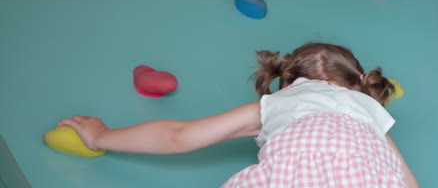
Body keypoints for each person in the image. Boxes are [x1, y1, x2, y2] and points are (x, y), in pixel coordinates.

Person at [59, 42, 419, 188]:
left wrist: (100, 135)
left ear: (288, 84)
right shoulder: (369, 115)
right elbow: (407, 182)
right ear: (356, 86)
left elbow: (178, 135)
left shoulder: (280, 105)